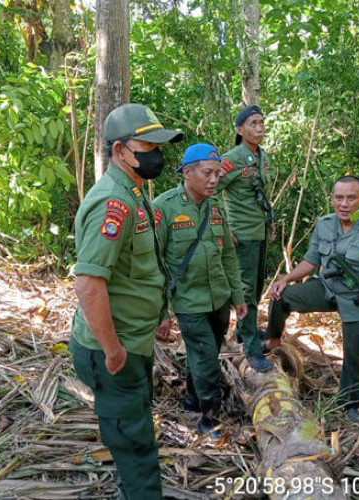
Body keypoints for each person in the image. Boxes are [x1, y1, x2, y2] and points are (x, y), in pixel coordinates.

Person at [68, 102, 183, 499]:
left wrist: (159, 318)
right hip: (115, 350)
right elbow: (89, 285)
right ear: (120, 151)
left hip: (133, 339)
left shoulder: (134, 193)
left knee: (133, 427)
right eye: (147, 148)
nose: (157, 156)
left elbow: (141, 271)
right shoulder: (112, 203)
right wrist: (113, 350)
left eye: (159, 147)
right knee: (135, 445)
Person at [264, 175, 359, 424]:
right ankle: (273, 340)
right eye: (339, 198)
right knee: (282, 297)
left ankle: (350, 406)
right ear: (332, 199)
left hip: (358, 300)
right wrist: (286, 279)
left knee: (355, 352)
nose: (344, 203)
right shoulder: (324, 224)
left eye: (351, 198)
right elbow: (311, 261)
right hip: (328, 288)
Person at [155, 143, 247, 437]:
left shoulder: (216, 208)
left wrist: (238, 296)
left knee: (205, 352)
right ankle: (209, 418)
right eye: (207, 173)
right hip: (187, 301)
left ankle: (193, 399)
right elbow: (153, 263)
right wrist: (162, 310)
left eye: (218, 174)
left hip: (218, 298)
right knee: (206, 358)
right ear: (187, 172)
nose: (214, 180)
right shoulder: (164, 208)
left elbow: (229, 257)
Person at [217, 105, 276, 372]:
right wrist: (224, 227)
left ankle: (244, 330)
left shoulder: (262, 157)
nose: (260, 127)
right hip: (241, 235)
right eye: (253, 123)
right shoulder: (232, 159)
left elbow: (262, 195)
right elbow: (210, 190)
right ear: (240, 130)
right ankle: (252, 350)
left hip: (259, 232)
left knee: (258, 286)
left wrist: (270, 224)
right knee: (246, 292)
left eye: (262, 122)